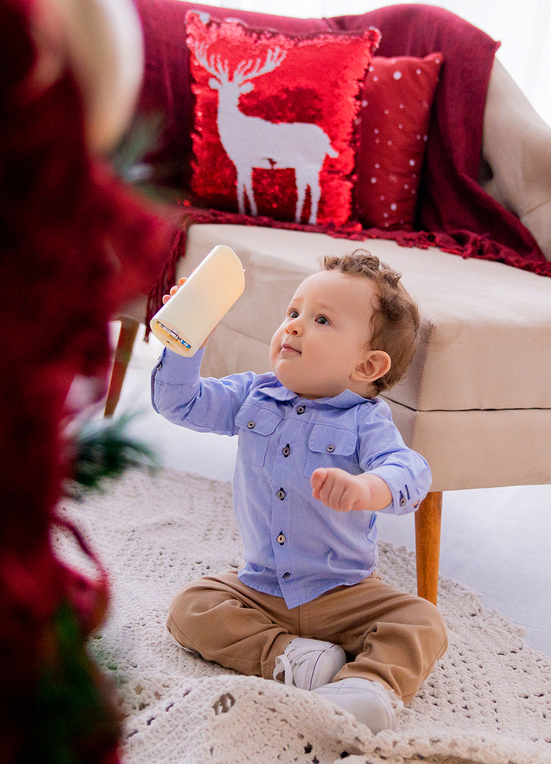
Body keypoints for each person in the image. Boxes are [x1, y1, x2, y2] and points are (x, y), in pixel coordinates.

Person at [151, 249, 447, 733]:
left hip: (344, 589)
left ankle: (370, 687)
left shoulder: (366, 420)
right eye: (293, 313)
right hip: (262, 587)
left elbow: (408, 470)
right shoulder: (255, 394)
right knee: (192, 607)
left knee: (421, 621)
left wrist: (368, 488)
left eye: (322, 319)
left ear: (368, 365)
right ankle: (293, 660)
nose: (293, 326)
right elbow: (179, 403)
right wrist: (186, 344)